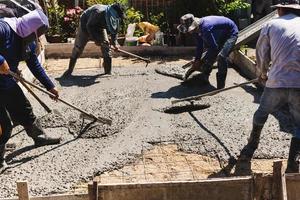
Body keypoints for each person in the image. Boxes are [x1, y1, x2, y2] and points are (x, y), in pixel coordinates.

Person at [237, 0, 300, 174]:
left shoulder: (271, 24)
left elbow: (261, 54)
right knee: (299, 125)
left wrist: (262, 74)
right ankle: (293, 164)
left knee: (262, 113)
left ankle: (251, 146)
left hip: (277, 82)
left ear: (280, 9)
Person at [0, 6, 61, 169]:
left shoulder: (27, 40)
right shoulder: (4, 28)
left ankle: (39, 137)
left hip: (6, 82)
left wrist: (50, 86)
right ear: (30, 28)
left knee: (24, 109)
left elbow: (33, 63)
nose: (36, 37)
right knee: (4, 125)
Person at [62, 3, 125, 77]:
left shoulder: (116, 17)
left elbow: (114, 30)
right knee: (78, 48)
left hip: (99, 27)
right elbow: (89, 26)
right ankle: (69, 70)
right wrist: (97, 40)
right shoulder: (99, 12)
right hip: (85, 25)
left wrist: (114, 44)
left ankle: (108, 71)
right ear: (112, 13)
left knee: (106, 47)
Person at [177, 14, 238, 89]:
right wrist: (197, 60)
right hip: (221, 33)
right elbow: (200, 46)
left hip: (231, 32)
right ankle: (204, 79)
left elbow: (214, 48)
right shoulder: (196, 30)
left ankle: (220, 86)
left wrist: (202, 61)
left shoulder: (206, 27)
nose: (189, 32)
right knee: (209, 55)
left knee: (221, 57)